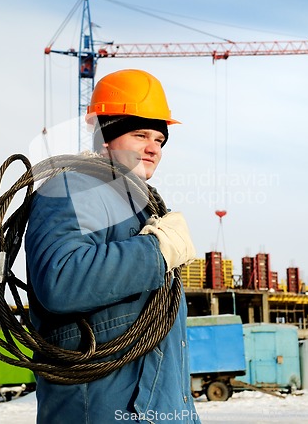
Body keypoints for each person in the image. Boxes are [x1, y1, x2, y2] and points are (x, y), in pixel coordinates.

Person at [25, 69, 201, 423]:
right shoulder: (71, 188)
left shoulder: (139, 210)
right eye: (140, 135)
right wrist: (157, 251)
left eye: (160, 140)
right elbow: (60, 279)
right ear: (106, 136)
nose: (154, 148)